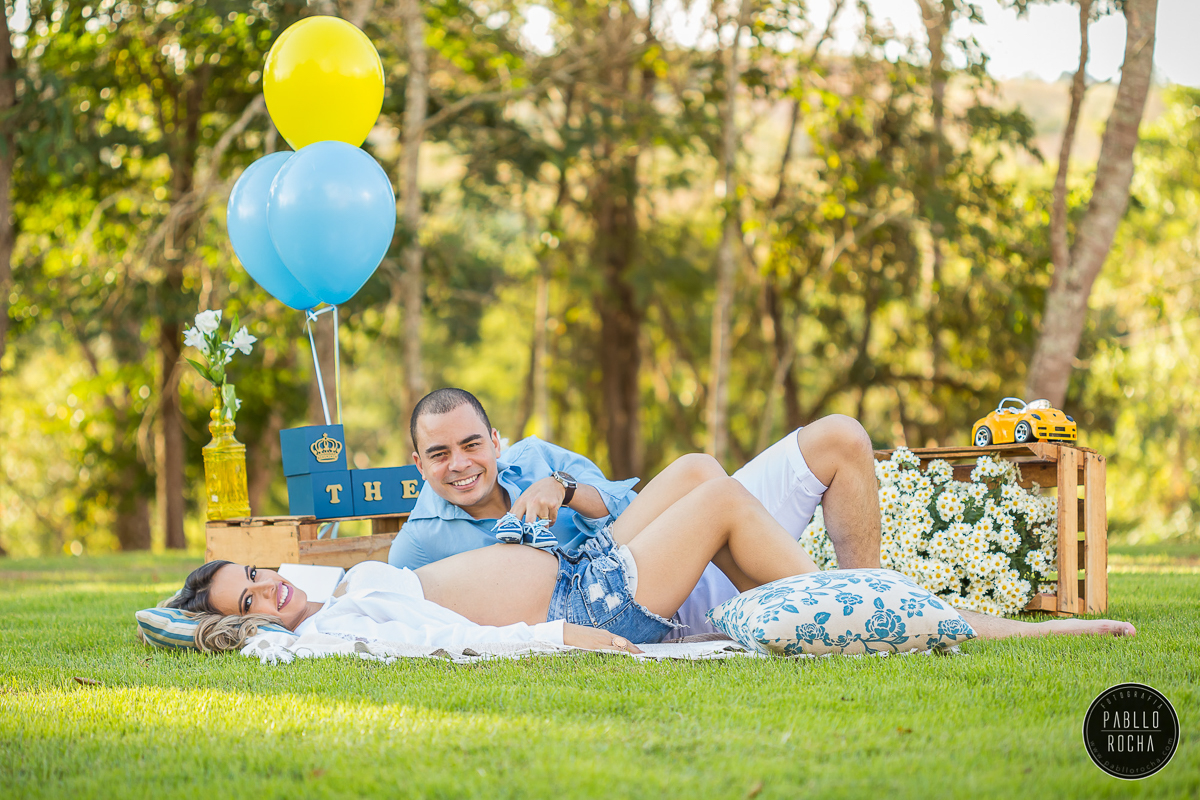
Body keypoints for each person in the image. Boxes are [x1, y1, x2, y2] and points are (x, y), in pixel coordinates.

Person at [170, 453, 1135, 653]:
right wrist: (562, 641)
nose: (263, 592)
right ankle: (927, 615)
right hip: (584, 606)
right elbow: (453, 642)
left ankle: (865, 603)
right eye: (244, 604)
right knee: (719, 500)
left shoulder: (333, 590)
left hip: (580, 565)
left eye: (253, 578)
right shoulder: (335, 633)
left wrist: (555, 498)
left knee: (696, 468)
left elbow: (610, 500)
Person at [388, 387, 882, 635]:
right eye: (439, 454)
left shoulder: (536, 457)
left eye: (471, 444)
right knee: (718, 494)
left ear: (496, 442)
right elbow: (419, 624)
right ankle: (854, 616)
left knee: (838, 437)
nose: (460, 464)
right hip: (616, 599)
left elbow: (632, 505)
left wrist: (565, 489)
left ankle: (875, 598)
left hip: (671, 547)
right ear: (418, 464)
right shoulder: (418, 545)